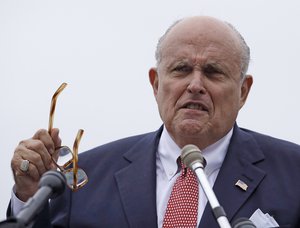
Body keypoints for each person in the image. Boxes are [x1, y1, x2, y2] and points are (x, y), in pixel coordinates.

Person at [8, 15, 300, 227]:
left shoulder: (293, 173)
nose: (195, 84)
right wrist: (28, 196)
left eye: (213, 72)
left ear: (243, 91)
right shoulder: (84, 177)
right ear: (156, 83)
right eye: (181, 69)